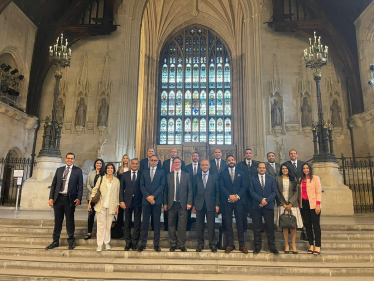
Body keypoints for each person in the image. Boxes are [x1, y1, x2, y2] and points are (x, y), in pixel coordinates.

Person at [46, 153, 83, 250]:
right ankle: (55, 241)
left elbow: (80, 186)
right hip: (58, 198)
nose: (70, 160)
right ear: (65, 159)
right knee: (58, 221)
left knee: (70, 221)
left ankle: (71, 241)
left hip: (69, 199)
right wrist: (51, 198)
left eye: (72, 158)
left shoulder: (78, 171)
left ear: (74, 160)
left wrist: (79, 198)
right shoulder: (59, 170)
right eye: (68, 158)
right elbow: (53, 185)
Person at [220, 155, 248, 254]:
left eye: (232, 160)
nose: (231, 161)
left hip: (239, 201)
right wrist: (229, 196)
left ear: (235, 161)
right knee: (228, 223)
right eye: (229, 160)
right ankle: (229, 245)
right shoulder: (222, 173)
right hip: (227, 201)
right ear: (226, 162)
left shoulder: (241, 173)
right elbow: (221, 186)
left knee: (240, 223)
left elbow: (244, 186)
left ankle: (242, 245)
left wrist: (237, 196)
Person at [88, 163, 120, 252]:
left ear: (114, 170)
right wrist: (90, 202)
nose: (110, 169)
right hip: (101, 205)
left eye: (112, 168)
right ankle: (99, 244)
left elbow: (117, 194)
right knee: (101, 225)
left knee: (108, 225)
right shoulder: (101, 178)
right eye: (108, 168)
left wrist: (117, 206)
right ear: (106, 170)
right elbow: (95, 190)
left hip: (111, 206)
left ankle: (107, 243)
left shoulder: (117, 181)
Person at [249, 162, 279, 255]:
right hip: (256, 206)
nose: (262, 169)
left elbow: (274, 192)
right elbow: (251, 191)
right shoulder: (252, 179)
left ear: (265, 169)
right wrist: (261, 200)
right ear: (257, 169)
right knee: (257, 227)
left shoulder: (271, 179)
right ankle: (257, 246)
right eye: (260, 168)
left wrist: (266, 201)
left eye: (263, 168)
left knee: (270, 227)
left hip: (268, 206)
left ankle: (272, 246)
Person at [164, 157, 193, 252]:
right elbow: (165, 191)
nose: (177, 163)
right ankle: (173, 244)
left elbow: (190, 190)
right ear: (173, 164)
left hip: (183, 204)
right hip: (171, 204)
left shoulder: (187, 175)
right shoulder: (168, 175)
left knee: (182, 225)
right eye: (175, 162)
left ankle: (181, 244)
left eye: (178, 162)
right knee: (171, 224)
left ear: (181, 164)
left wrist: (189, 203)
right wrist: (165, 203)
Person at [138, 155, 165, 252]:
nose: (153, 162)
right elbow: (142, 185)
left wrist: (153, 196)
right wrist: (148, 197)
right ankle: (143, 244)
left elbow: (162, 185)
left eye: (155, 160)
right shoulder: (144, 172)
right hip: (146, 201)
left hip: (157, 201)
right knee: (145, 223)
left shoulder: (161, 172)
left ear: (158, 162)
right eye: (151, 160)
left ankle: (156, 244)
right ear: (149, 161)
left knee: (156, 223)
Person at [276, 163, 303, 254]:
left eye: (286, 169)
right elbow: (277, 192)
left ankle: (293, 244)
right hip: (282, 205)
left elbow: (296, 192)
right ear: (281, 170)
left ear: (289, 170)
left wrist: (290, 203)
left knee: (292, 225)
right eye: (283, 168)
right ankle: (286, 244)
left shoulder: (293, 179)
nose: (284, 170)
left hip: (292, 205)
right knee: (285, 225)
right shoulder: (277, 179)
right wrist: (283, 204)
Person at [193, 160, 219, 252]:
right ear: (200, 166)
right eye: (203, 164)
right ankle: (200, 244)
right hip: (199, 204)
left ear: (209, 166)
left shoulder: (214, 177)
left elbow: (217, 191)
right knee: (199, 225)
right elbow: (193, 192)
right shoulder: (196, 177)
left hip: (211, 203)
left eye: (206, 165)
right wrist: (193, 205)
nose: (204, 166)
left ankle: (212, 244)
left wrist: (217, 204)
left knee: (211, 225)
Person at [120, 158, 142, 251]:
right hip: (127, 201)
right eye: (133, 164)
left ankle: (134, 242)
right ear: (130, 165)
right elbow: (121, 189)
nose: (135, 165)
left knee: (137, 223)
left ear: (138, 165)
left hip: (138, 201)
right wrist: (121, 201)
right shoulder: (125, 175)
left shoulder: (142, 174)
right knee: (127, 223)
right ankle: (128, 242)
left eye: (136, 164)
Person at [299, 163, 322, 255]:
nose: (305, 170)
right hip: (304, 204)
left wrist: (318, 205)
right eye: (304, 168)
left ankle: (318, 245)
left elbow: (318, 192)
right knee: (307, 225)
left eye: (307, 168)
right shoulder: (301, 179)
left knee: (316, 226)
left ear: (310, 169)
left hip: (313, 204)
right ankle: (311, 244)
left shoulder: (315, 178)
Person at [162, 148, 185, 231]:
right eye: (172, 151)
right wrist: (165, 202)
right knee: (170, 220)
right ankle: (167, 229)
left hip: (182, 199)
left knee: (181, 222)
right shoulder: (165, 163)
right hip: (170, 195)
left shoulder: (185, 174)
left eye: (175, 151)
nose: (177, 164)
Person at [84, 159, 105, 240]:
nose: (98, 164)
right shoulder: (91, 173)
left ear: (102, 164)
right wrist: (93, 192)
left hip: (101, 196)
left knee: (101, 215)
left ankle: (100, 233)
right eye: (97, 163)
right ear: (95, 164)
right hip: (91, 196)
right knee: (91, 215)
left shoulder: (104, 174)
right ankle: (89, 232)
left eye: (100, 163)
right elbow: (88, 184)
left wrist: (98, 192)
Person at [184, 151, 201, 230]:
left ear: (199, 157)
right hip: (188, 191)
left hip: (199, 191)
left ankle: (199, 228)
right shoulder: (187, 167)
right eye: (193, 156)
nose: (195, 157)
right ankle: (187, 227)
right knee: (187, 212)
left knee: (199, 211)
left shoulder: (202, 167)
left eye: (196, 156)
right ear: (191, 157)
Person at [117, 154, 130, 227]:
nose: (125, 159)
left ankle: (128, 223)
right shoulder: (120, 169)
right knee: (121, 207)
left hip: (128, 190)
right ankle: (120, 223)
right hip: (121, 189)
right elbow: (118, 180)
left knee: (128, 208)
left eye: (126, 158)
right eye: (124, 158)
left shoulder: (130, 169)